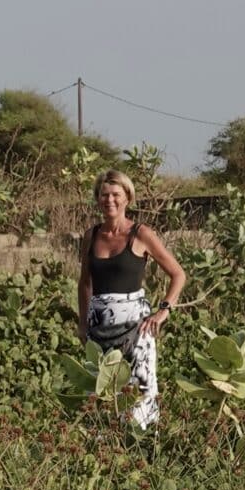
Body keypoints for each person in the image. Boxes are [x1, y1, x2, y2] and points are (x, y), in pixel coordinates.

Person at [77, 169, 186, 429]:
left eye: (116, 194)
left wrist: (163, 311)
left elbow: (178, 274)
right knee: (102, 395)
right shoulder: (91, 236)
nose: (109, 200)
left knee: (140, 393)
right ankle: (106, 458)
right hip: (99, 330)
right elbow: (85, 283)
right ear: (98, 199)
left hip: (136, 330)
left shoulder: (140, 234)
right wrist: (83, 324)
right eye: (104, 195)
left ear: (127, 197)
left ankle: (144, 450)